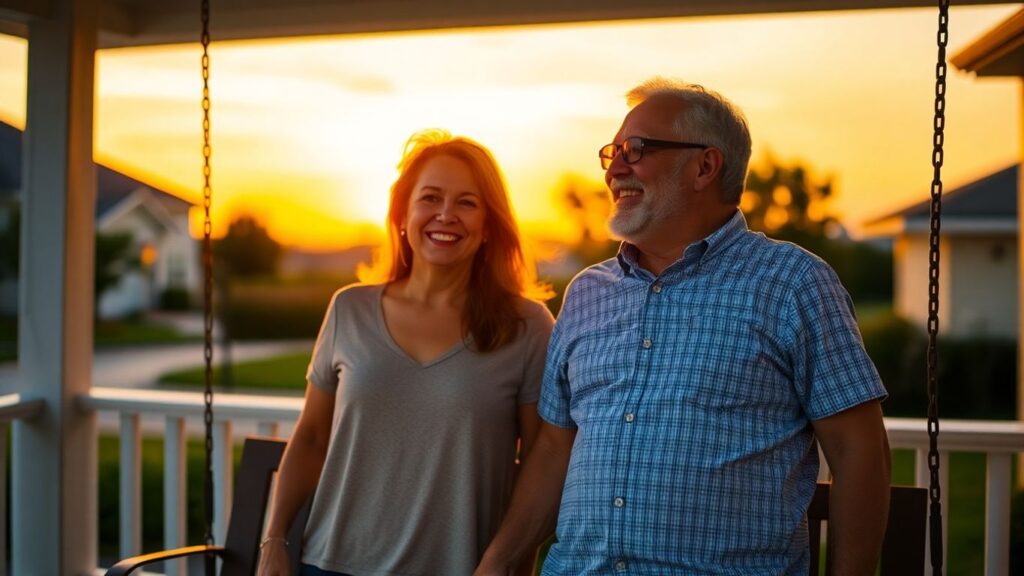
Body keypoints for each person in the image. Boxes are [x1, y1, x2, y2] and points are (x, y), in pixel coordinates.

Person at [475, 78, 891, 576]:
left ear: (704, 166)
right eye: (612, 153)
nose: (616, 169)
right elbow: (553, 446)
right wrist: (494, 566)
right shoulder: (587, 293)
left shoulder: (793, 284)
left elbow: (859, 451)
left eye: (637, 149)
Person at [257, 130, 554, 576]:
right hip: (329, 565)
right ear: (402, 214)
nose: (446, 215)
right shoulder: (348, 309)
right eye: (430, 198)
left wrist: (504, 562)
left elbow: (541, 461)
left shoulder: (527, 326)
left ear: (490, 224)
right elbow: (312, 437)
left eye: (467, 203)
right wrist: (274, 540)